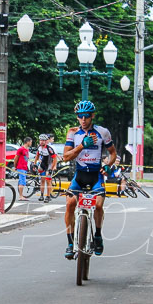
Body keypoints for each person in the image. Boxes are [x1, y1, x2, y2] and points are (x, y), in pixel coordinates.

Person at [63, 100, 116, 259]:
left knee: (98, 206)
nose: (83, 120)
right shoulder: (72, 132)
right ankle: (71, 242)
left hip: (96, 176)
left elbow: (112, 153)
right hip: (79, 175)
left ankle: (98, 236)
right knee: (70, 204)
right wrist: (81, 146)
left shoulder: (103, 132)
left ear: (92, 116)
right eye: (80, 116)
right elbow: (65, 157)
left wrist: (107, 164)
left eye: (86, 116)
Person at [35, 133, 57, 202]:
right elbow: (37, 155)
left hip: (50, 164)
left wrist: (51, 168)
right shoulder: (39, 147)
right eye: (40, 140)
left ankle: (48, 196)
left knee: (48, 180)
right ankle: (41, 195)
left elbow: (55, 159)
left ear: (46, 141)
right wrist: (34, 163)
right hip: (43, 164)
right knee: (42, 179)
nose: (41, 141)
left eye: (43, 140)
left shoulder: (49, 148)